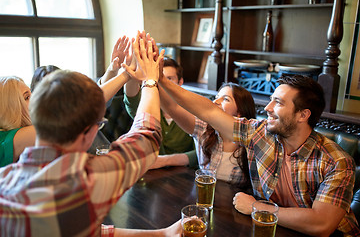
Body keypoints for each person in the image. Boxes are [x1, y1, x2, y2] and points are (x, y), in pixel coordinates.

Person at [0, 32, 182, 236]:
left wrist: (161, 234)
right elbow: (146, 136)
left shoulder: (4, 181)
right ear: (88, 133)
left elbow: (84, 229)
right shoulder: (83, 181)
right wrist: (150, 80)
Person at [159, 73, 360, 236]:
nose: (267, 108)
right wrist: (161, 80)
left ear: (303, 115)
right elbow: (210, 112)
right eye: (271, 100)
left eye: (278, 103)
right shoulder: (261, 134)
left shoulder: (337, 161)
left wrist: (258, 207)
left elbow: (322, 224)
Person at [0, 36, 131, 167]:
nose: (36, 98)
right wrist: (126, 74)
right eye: (27, 97)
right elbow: (84, 106)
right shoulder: (8, 139)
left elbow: (91, 101)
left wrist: (113, 70)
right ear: (11, 108)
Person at [154, 82, 255, 187]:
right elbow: (172, 107)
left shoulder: (252, 140)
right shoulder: (204, 129)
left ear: (240, 113)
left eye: (225, 99)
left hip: (235, 202)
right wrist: (155, 79)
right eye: (216, 97)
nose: (215, 102)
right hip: (203, 199)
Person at [124, 55, 197, 169]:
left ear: (180, 81)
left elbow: (200, 152)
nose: (163, 83)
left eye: (169, 78)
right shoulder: (150, 105)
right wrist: (132, 70)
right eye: (159, 78)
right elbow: (131, 99)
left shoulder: (193, 110)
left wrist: (165, 161)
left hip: (182, 175)